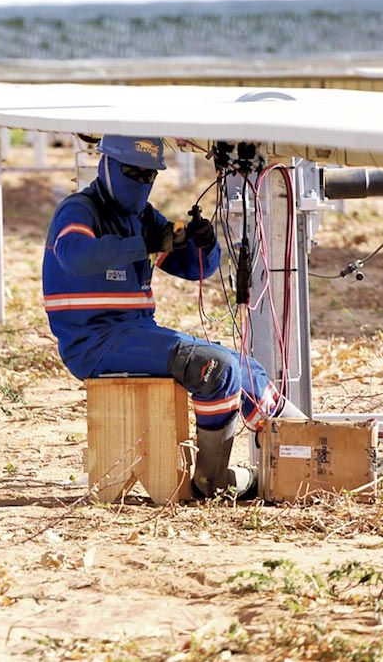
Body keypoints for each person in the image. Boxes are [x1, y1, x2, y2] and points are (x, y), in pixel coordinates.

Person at [42, 134, 303, 498]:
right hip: (95, 343)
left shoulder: (141, 217)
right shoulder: (79, 210)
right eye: (132, 172)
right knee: (215, 369)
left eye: (149, 175)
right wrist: (145, 244)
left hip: (135, 334)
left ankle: (313, 447)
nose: (141, 182)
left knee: (244, 368)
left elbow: (195, 269)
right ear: (106, 165)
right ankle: (213, 482)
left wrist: (202, 242)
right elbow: (75, 256)